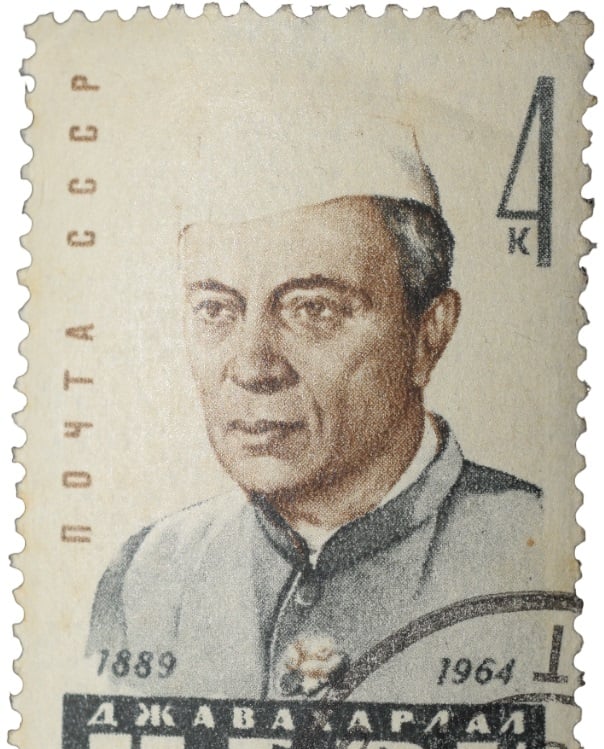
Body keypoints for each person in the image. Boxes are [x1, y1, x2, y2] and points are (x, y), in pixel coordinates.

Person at [88, 109, 543, 700]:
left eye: (313, 309)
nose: (254, 368)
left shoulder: (544, 548)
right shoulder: (148, 574)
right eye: (216, 310)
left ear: (428, 335)